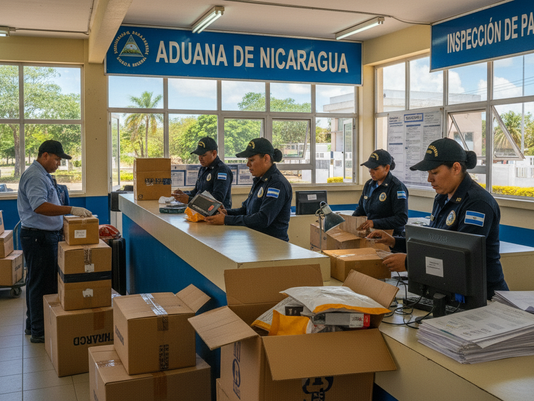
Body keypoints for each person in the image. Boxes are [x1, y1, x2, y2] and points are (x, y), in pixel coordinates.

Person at [369, 138, 509, 299]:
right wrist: (395, 241)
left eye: (434, 172)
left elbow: (461, 258)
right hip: (450, 289)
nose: (429, 179)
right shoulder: (442, 198)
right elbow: (434, 240)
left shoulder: (477, 203)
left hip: (482, 296)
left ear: (456, 168)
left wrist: (410, 263)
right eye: (428, 173)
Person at [18, 140, 92, 343]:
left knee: (37, 282)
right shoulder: (35, 176)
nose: (58, 163)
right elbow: (40, 206)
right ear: (45, 156)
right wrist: (70, 210)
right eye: (57, 159)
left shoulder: (43, 175)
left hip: (42, 235)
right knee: (42, 285)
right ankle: (39, 331)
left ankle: (32, 325)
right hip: (38, 237)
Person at [205, 138, 292, 241]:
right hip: (257, 243)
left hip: (273, 246)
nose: (247, 164)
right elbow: (246, 210)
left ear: (266, 158)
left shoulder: (277, 184)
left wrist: (226, 220)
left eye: (251, 160)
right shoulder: (260, 181)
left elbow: (263, 219)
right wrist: (227, 213)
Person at [353, 149, 408, 236]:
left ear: (386, 168)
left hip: (391, 237)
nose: (371, 171)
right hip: (371, 234)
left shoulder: (397, 187)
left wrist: (374, 223)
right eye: (370, 168)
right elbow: (361, 209)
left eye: (375, 169)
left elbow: (401, 219)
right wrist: (350, 220)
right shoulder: (369, 184)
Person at [173, 137, 233, 209]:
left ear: (214, 153)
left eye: (203, 155)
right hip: (201, 214)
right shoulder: (203, 168)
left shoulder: (222, 171)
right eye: (199, 155)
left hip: (217, 216)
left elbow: (217, 200)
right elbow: (197, 192)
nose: (200, 158)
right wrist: (183, 194)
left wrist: (189, 200)